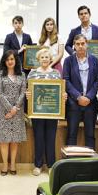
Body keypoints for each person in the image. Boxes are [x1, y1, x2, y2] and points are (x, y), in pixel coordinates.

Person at [27, 48, 67, 176]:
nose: (44, 59)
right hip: (37, 112)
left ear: (51, 59)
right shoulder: (32, 73)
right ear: (38, 59)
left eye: (47, 57)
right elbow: (29, 90)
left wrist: (63, 95)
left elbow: (59, 91)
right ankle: (38, 165)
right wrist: (28, 94)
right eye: (42, 57)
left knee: (51, 139)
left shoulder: (56, 73)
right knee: (38, 138)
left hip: (52, 111)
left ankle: (51, 165)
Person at [63, 34, 98, 149]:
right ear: (74, 46)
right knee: (71, 134)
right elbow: (66, 80)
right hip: (73, 103)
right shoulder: (68, 60)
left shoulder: (94, 60)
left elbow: (97, 81)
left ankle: (90, 163)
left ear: (87, 44)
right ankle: (71, 164)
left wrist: (89, 97)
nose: (80, 46)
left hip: (91, 103)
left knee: (90, 135)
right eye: (77, 44)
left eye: (82, 43)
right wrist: (78, 97)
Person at [0, 50, 26, 176]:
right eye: (7, 59)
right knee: (4, 140)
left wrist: (15, 108)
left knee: (14, 140)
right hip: (2, 110)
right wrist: (9, 109)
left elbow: (23, 92)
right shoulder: (0, 74)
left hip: (17, 110)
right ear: (4, 61)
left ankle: (13, 164)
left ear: (16, 60)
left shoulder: (22, 74)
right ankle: (5, 165)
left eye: (12, 59)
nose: (10, 61)